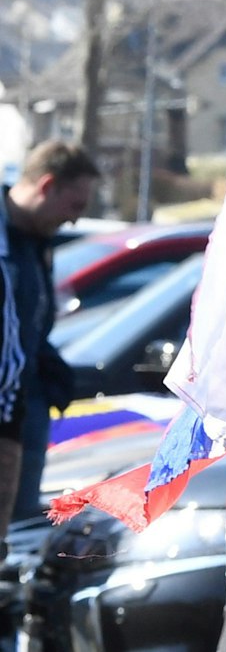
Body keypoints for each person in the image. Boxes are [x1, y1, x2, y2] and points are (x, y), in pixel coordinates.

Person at [0, 140, 92, 520]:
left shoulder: (36, 242)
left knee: (15, 535)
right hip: (7, 413)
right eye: (75, 206)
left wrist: (49, 366)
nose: (73, 221)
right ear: (48, 186)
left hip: (23, 409)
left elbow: (28, 328)